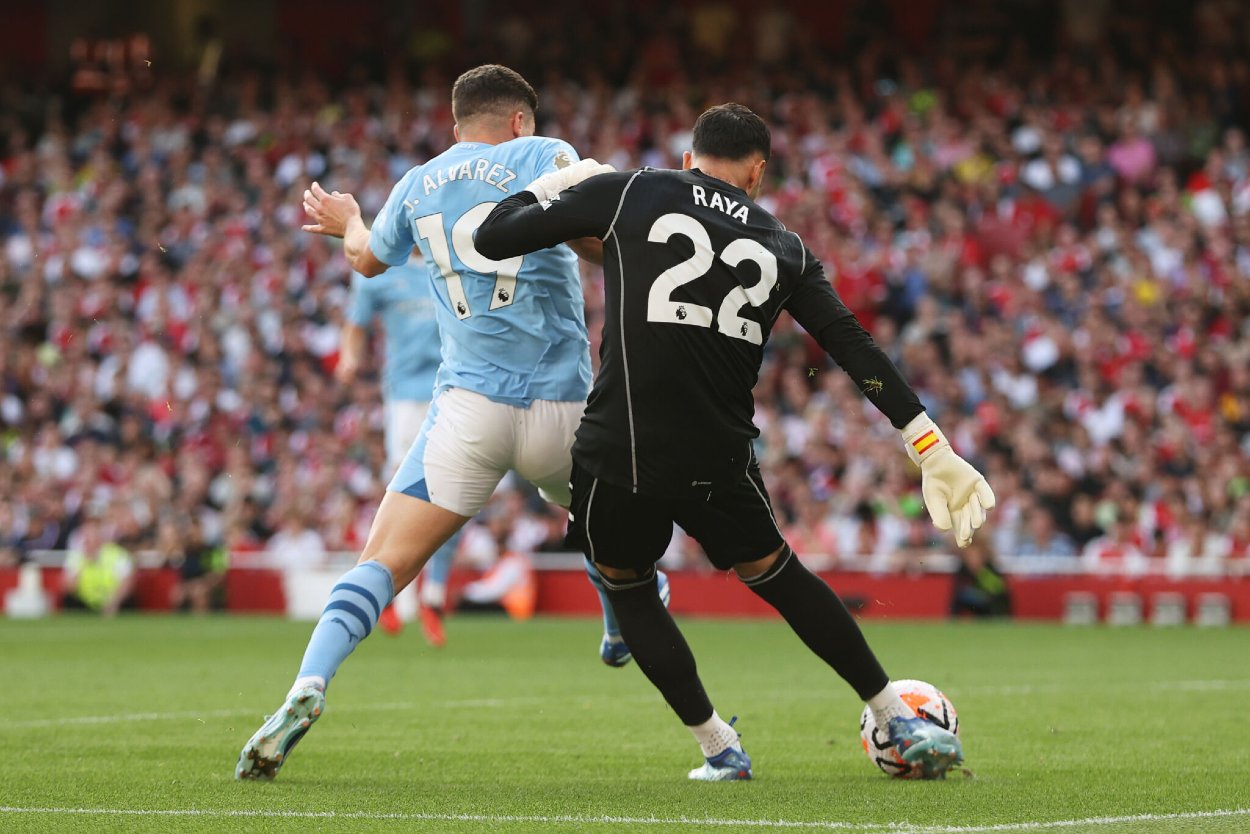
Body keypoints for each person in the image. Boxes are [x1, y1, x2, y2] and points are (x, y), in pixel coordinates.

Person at [477, 103, 995, 781]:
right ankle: (895, 714)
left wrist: (554, 187)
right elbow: (851, 344)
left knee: (628, 587)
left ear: (690, 158)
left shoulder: (633, 189)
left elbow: (493, 237)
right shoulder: (784, 246)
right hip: (717, 452)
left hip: (620, 441)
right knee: (779, 576)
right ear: (757, 172)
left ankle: (719, 747)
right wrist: (928, 444)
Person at [236, 64, 666, 781]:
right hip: (561, 406)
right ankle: (624, 621)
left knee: (380, 564)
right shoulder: (542, 155)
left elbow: (366, 260)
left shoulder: (416, 183)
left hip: (469, 411)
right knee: (604, 531)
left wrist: (348, 220)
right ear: (520, 121)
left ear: (455, 125)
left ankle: (307, 686)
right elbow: (602, 235)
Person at [338, 260, 463, 646]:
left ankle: (434, 596)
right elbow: (356, 321)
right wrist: (349, 355)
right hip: (406, 398)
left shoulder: (450, 256)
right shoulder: (382, 269)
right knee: (403, 493)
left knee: (459, 492)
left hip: (456, 387)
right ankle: (386, 586)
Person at [60, 515, 135, 617]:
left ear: (100, 541)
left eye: (91, 541)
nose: (88, 545)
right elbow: (68, 588)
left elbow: (126, 583)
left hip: (113, 601)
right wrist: (83, 564)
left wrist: (113, 602)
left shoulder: (117, 555)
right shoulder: (76, 557)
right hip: (85, 603)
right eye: (86, 541)